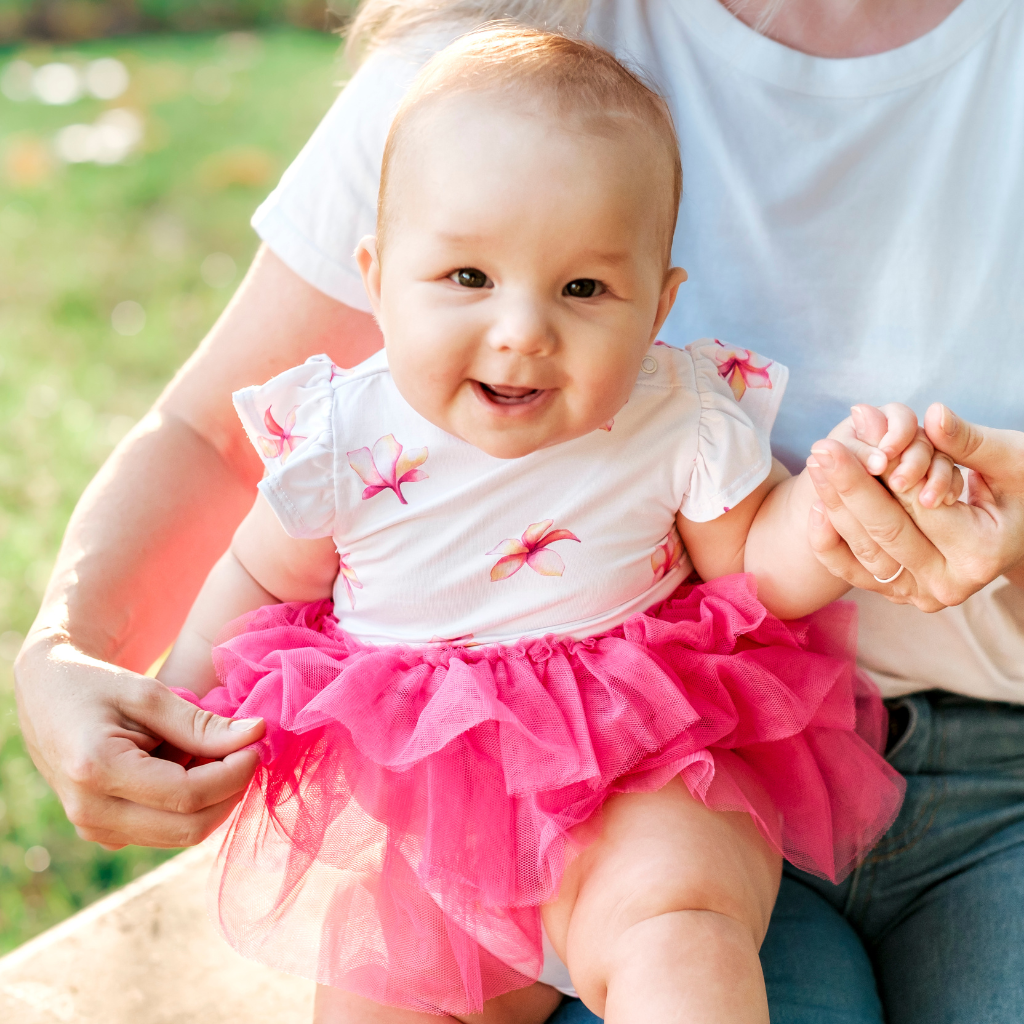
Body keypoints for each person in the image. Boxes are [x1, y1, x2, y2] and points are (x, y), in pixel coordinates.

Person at [13, 0, 1024, 1022]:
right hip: (438, 808)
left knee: (674, 932)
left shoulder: (673, 413)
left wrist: (833, 512)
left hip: (646, 767)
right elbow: (258, 574)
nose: (521, 330)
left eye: (583, 288)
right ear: (375, 277)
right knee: (383, 987)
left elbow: (750, 562)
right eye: (466, 278)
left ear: (659, 305)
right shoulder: (344, 434)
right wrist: (162, 698)